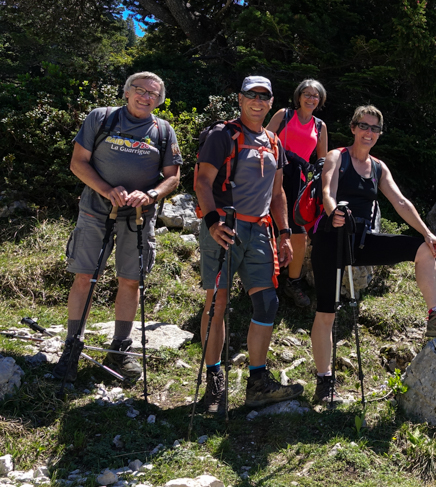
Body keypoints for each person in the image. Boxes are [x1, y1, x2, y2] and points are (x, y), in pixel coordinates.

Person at [309, 105, 436, 404]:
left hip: (361, 241)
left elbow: (400, 201)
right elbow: (327, 191)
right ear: (353, 127)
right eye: (364, 126)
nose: (369, 132)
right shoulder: (337, 156)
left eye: (375, 128)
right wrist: (335, 213)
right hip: (330, 239)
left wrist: (426, 232)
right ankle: (324, 380)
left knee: (422, 250)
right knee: (326, 313)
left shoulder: (379, 167)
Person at [54, 72, 182, 383]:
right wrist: (105, 189)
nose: (145, 96)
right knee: (84, 276)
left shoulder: (163, 131)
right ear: (126, 92)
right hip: (96, 210)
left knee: (131, 281)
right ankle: (73, 345)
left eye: (153, 93)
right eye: (139, 90)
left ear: (159, 100)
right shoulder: (102, 118)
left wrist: (150, 194)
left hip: (139, 216)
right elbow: (78, 162)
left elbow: (173, 176)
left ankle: (120, 349)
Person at [192, 75, 302, 413]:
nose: (257, 101)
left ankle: (257, 382)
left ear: (271, 102)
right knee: (217, 303)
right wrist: (212, 222)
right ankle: (214, 381)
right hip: (225, 226)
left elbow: (279, 192)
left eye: (264, 96)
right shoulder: (221, 135)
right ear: (239, 99)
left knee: (267, 302)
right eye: (251, 95)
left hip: (260, 231)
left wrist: (285, 233)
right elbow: (202, 180)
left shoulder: (273, 141)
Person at [266, 78, 329, 308]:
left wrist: (320, 178)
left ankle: (293, 282)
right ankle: (265, 279)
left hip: (301, 182)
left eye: (315, 96)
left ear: (320, 100)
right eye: (307, 94)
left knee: (299, 233)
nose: (311, 99)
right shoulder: (284, 115)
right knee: (269, 226)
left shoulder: (320, 126)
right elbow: (264, 140)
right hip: (275, 176)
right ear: (299, 96)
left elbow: (323, 158)